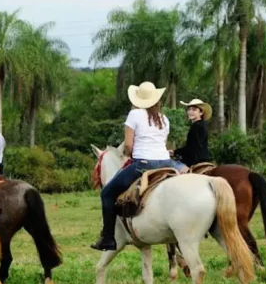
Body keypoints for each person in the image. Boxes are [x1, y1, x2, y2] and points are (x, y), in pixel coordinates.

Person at [90, 81, 181, 251]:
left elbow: (129, 146)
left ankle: (108, 238)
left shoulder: (134, 115)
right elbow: (162, 143)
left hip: (143, 165)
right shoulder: (164, 118)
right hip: (166, 163)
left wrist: (128, 153)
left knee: (107, 194)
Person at [170, 99, 213, 169]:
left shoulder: (196, 126)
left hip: (194, 161)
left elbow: (193, 148)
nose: (190, 112)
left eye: (194, 110)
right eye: (189, 109)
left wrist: (176, 153)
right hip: (204, 159)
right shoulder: (202, 125)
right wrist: (175, 152)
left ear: (201, 113)